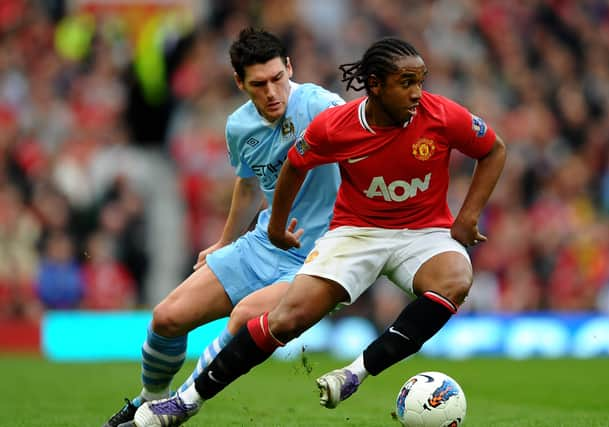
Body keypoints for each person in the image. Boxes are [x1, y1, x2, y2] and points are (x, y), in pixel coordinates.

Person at [132, 36, 506, 426]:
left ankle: (354, 373)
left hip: (423, 232)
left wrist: (467, 216)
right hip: (356, 233)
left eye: (420, 81)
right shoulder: (335, 125)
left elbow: (493, 148)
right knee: (279, 320)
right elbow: (292, 167)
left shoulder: (436, 113)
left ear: (290, 69)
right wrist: (272, 228)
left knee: (456, 279)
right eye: (407, 82)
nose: (418, 93)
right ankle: (182, 402)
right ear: (375, 85)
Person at [102, 27, 344, 427]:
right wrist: (223, 242)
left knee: (244, 318)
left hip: (321, 257)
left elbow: (367, 142)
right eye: (259, 84)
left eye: (278, 80)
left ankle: (175, 409)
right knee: (166, 318)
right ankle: (149, 401)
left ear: (289, 68)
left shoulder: (321, 105)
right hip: (266, 244)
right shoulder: (239, 126)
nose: (272, 93)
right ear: (239, 82)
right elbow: (247, 183)